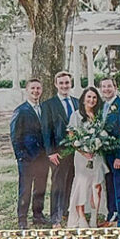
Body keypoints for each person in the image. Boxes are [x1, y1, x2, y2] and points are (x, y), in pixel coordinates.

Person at [66, 86, 109, 229]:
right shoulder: (76, 115)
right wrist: (84, 152)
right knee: (82, 186)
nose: (92, 100)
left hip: (96, 156)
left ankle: (94, 218)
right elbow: (72, 138)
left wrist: (97, 147)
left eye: (94, 97)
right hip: (82, 157)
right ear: (83, 99)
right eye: (89, 97)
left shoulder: (98, 116)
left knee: (97, 187)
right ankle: (81, 216)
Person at [9, 78, 49, 228]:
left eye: (38, 88)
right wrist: (21, 155)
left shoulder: (44, 109)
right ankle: (22, 219)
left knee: (40, 187)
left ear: (41, 90)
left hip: (42, 157)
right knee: (25, 189)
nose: (35, 91)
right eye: (32, 88)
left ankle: (38, 215)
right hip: (27, 158)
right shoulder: (21, 111)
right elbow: (15, 136)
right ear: (27, 90)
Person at [42, 70, 79, 227]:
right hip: (58, 151)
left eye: (67, 83)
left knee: (71, 181)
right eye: (61, 83)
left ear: (71, 84)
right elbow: (46, 130)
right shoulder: (48, 105)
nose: (64, 86)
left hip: (76, 151)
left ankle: (65, 210)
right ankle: (55, 218)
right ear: (56, 84)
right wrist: (50, 152)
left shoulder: (77, 102)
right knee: (58, 184)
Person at [99, 77, 120, 227]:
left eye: (109, 86)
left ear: (115, 88)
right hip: (105, 154)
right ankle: (112, 214)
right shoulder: (102, 107)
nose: (106, 89)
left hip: (117, 154)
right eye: (104, 87)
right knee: (110, 186)